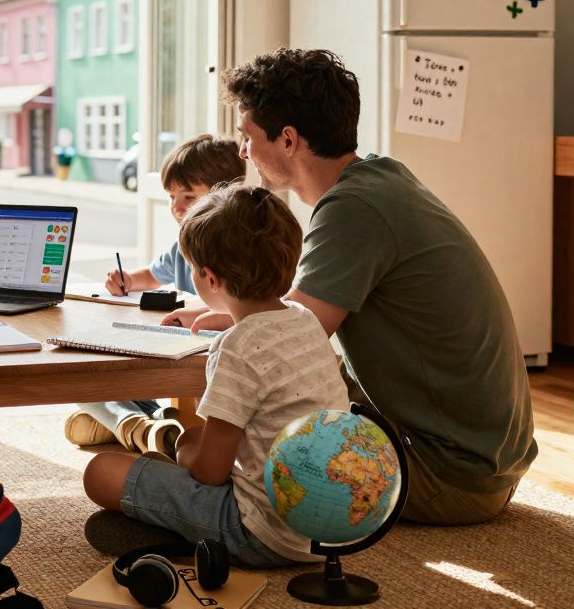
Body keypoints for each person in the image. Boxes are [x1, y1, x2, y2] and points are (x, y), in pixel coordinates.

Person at [170, 47, 537, 526]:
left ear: (287, 139)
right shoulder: (379, 178)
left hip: (450, 476)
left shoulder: (353, 211)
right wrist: (233, 314)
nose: (242, 152)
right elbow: (289, 321)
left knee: (269, 386)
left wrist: (234, 330)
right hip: (487, 462)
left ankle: (197, 481)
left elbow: (284, 347)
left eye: (246, 137)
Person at [82, 183, 348, 567]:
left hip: (264, 532)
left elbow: (210, 473)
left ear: (209, 278)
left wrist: (185, 454)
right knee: (192, 435)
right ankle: (175, 526)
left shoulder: (237, 347)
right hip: (332, 525)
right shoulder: (306, 320)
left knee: (102, 471)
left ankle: (185, 535)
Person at [64, 134, 246, 457]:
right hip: (173, 354)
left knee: (89, 392)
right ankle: (152, 425)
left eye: (188, 196)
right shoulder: (182, 245)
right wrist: (127, 279)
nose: (176, 208)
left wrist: (204, 313)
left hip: (206, 368)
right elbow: (150, 274)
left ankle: (124, 423)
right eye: (171, 196)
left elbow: (249, 310)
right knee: (79, 370)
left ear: (224, 195)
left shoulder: (240, 252)